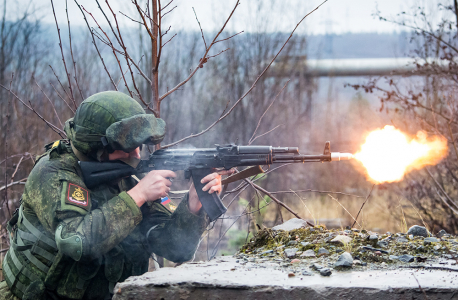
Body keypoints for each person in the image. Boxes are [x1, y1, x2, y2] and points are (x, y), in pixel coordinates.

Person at [0, 91, 231, 300]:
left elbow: (174, 249)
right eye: (128, 147)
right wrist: (137, 196)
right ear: (99, 147)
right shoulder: (54, 172)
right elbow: (75, 242)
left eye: (139, 146)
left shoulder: (128, 178)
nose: (137, 155)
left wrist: (192, 205)